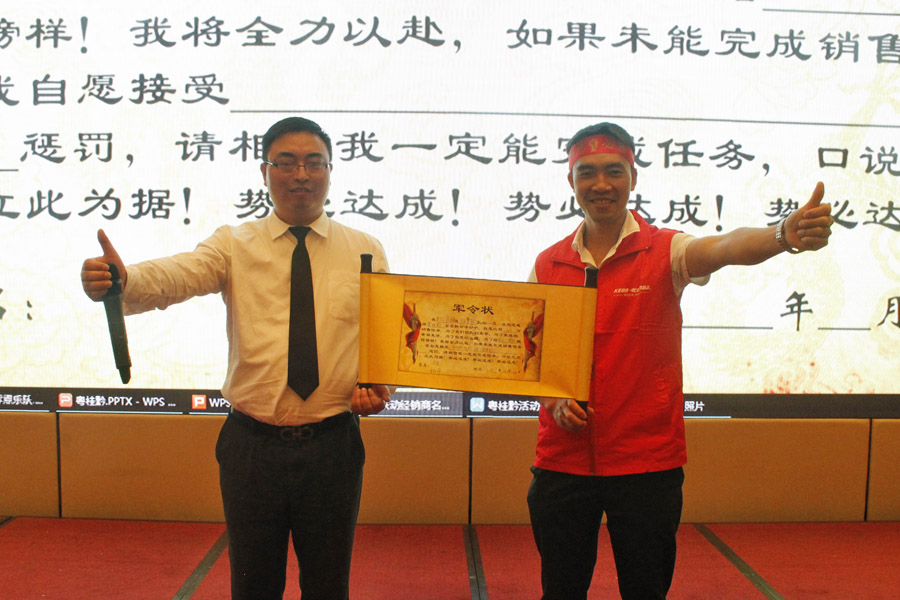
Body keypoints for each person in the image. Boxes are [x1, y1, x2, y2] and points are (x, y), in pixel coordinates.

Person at [80, 116, 392, 600]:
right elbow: (180, 274)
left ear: (331, 171)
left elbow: (384, 339)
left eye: (314, 162)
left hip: (333, 447)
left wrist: (381, 388)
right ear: (264, 172)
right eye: (286, 162)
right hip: (251, 449)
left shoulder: (365, 250)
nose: (301, 174)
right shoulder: (234, 244)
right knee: (253, 586)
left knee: (329, 586)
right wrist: (124, 280)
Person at [526, 122, 834, 600]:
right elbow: (533, 358)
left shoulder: (666, 250)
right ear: (571, 181)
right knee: (560, 591)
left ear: (633, 177)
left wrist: (782, 235)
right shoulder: (548, 264)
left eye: (614, 171)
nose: (601, 184)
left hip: (647, 463)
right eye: (587, 172)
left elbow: (725, 247)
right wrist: (553, 402)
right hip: (562, 463)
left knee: (646, 591)